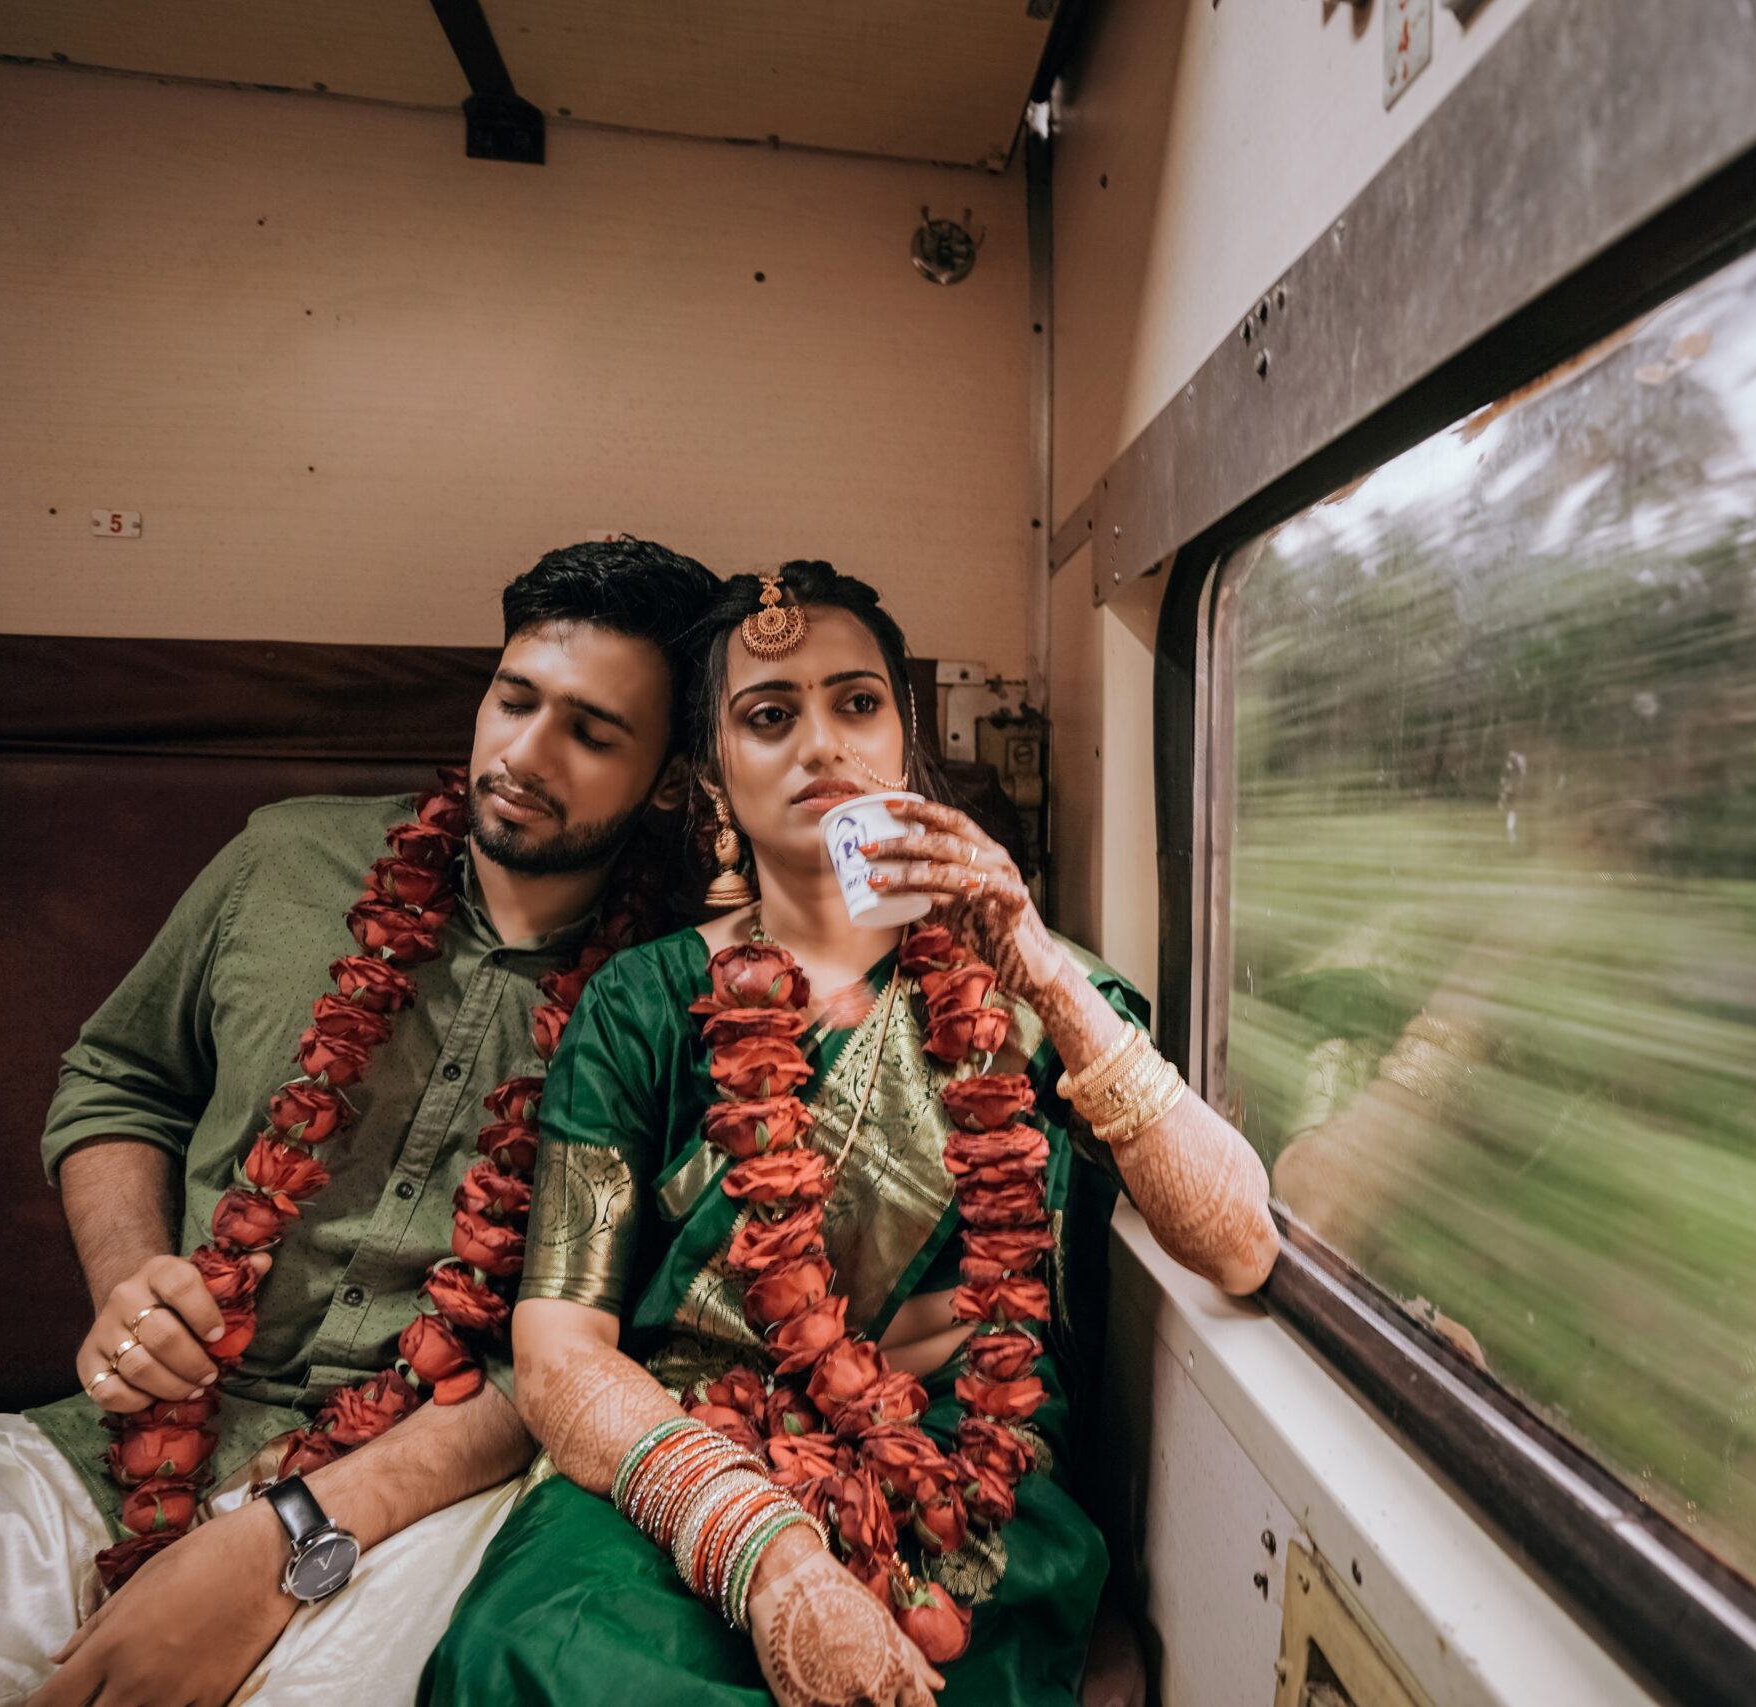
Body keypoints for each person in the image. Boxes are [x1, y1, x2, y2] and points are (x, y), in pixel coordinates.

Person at [0, 537, 722, 1707]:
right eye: (513, 698)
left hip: (432, 1499)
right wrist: (130, 1281)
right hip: (114, 1448)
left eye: (590, 731)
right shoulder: (286, 856)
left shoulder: (690, 995)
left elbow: (610, 1345)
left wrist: (286, 1540)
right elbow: (119, 1078)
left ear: (671, 779)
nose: (523, 752)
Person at [421, 561, 1279, 1707]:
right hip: (685, 1464)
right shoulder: (641, 1004)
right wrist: (765, 1558)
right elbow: (560, 1356)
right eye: (769, 716)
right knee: (527, 1661)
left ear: (905, 743)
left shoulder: (1038, 990)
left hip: (965, 1477)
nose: (821, 743)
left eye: (857, 703)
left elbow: (1239, 1248)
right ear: (711, 777)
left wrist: (1036, 969)